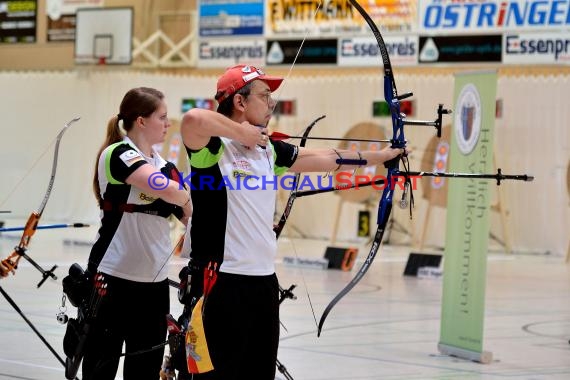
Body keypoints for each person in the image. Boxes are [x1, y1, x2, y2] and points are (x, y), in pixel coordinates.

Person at [179, 65, 406, 380]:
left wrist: (383, 156)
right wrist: (242, 132)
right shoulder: (213, 149)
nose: (271, 103)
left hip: (263, 283)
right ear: (240, 102)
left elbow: (328, 156)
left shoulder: (268, 150)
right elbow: (192, 120)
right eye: (264, 95)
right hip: (220, 283)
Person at [81, 87, 192, 380]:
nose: (169, 124)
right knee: (100, 366)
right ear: (141, 121)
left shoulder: (166, 166)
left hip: (153, 285)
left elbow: (190, 211)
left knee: (144, 369)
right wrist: (181, 192)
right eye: (163, 117)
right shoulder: (117, 154)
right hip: (112, 277)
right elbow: (167, 190)